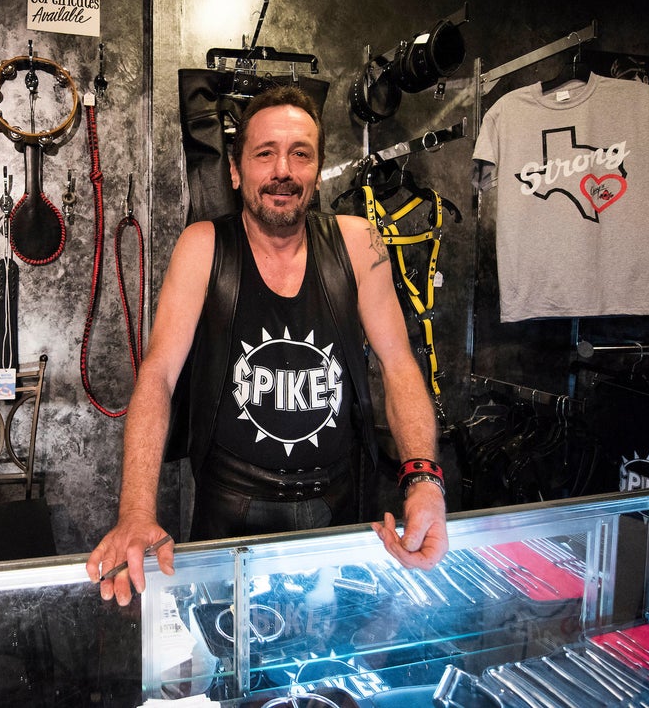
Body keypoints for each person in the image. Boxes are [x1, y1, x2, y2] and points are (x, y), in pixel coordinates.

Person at [86, 84, 448, 605]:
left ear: (317, 170)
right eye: (265, 154)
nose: (283, 170)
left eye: (300, 154)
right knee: (228, 665)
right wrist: (137, 513)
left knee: (331, 663)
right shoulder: (203, 246)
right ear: (236, 172)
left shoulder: (357, 240)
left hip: (339, 509)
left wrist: (423, 481)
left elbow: (398, 365)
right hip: (229, 511)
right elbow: (158, 375)